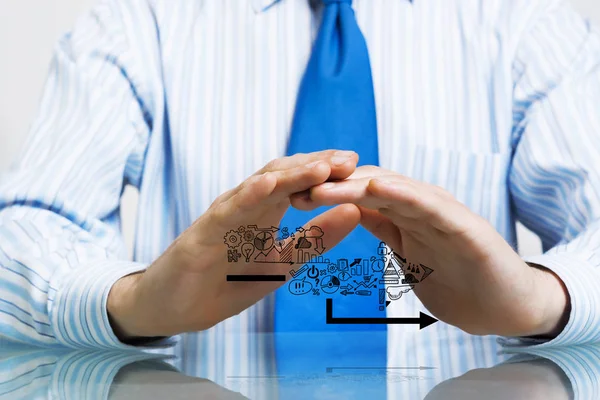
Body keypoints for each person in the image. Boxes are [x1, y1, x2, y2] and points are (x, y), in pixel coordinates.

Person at [0, 0, 599, 351]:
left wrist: (542, 298)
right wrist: (131, 302)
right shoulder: (141, 19)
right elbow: (23, 231)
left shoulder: (530, 22)